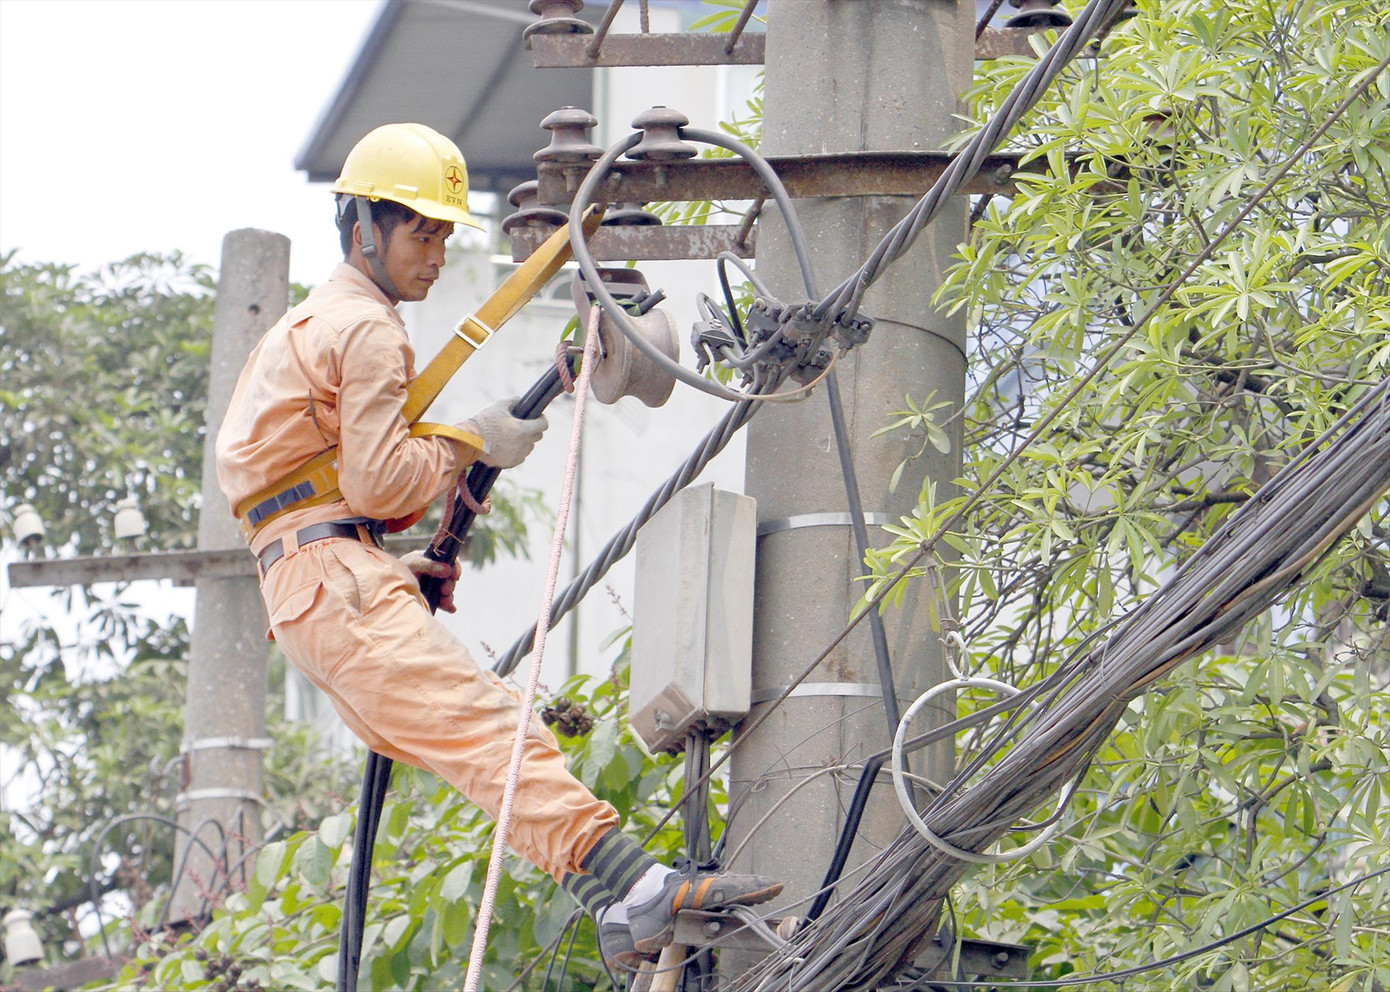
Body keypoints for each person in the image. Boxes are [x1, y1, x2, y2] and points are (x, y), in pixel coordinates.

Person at [214, 123, 780, 969]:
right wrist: (467, 442)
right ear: (363, 225)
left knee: (482, 750)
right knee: (494, 729)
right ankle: (637, 890)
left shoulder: (308, 323)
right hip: (329, 575)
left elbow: (315, 491)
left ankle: (618, 904)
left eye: (444, 234)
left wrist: (378, 559)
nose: (435, 255)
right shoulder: (367, 330)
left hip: (313, 582)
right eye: (420, 231)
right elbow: (380, 486)